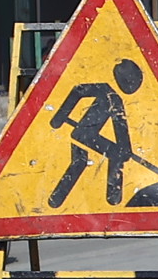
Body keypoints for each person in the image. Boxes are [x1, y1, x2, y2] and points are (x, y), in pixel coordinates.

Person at [50, 58, 145, 209]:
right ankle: (112, 197)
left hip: (86, 135)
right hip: (85, 134)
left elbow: (120, 128)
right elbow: (77, 92)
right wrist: (58, 118)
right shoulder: (106, 92)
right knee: (89, 161)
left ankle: (55, 201)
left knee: (80, 163)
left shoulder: (114, 98)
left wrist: (125, 149)